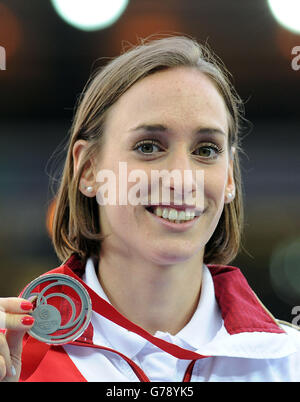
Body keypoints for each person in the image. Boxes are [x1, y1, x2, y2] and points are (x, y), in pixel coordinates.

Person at [1, 35, 300, 382]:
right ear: (89, 169)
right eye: (148, 146)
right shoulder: (18, 357)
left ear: (229, 177)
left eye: (206, 150)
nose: (183, 179)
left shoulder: (289, 364)